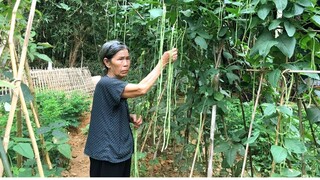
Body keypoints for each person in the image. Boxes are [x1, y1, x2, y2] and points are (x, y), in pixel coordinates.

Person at [84, 40, 178, 177]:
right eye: (120, 59)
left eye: (128, 58)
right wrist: (162, 62)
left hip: (115, 151)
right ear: (107, 62)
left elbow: (105, 111)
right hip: (109, 154)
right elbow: (142, 88)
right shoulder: (108, 84)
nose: (126, 63)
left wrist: (128, 116)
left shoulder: (112, 83)